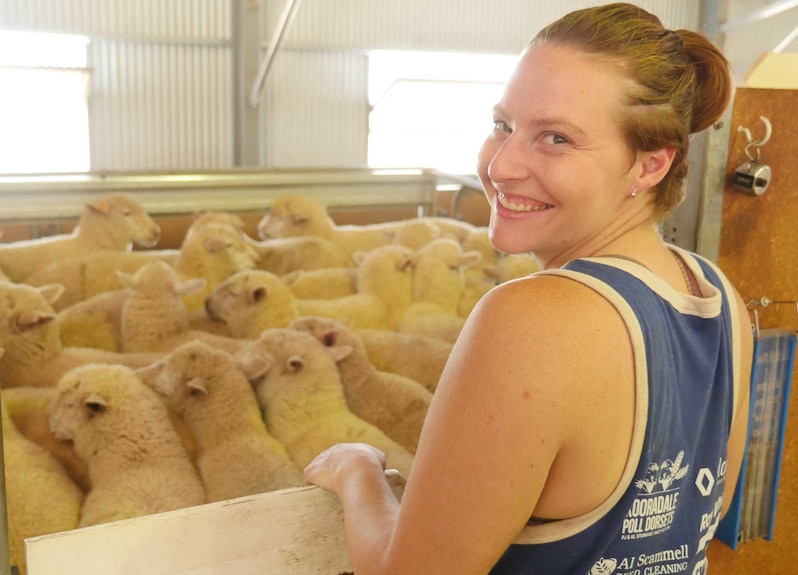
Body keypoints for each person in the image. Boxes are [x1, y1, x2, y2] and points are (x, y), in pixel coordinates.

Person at [303, 3, 753, 574]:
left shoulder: (531, 320)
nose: (502, 165)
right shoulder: (719, 298)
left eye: (556, 139)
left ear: (649, 166)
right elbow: (700, 516)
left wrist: (357, 469)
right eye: (503, 125)